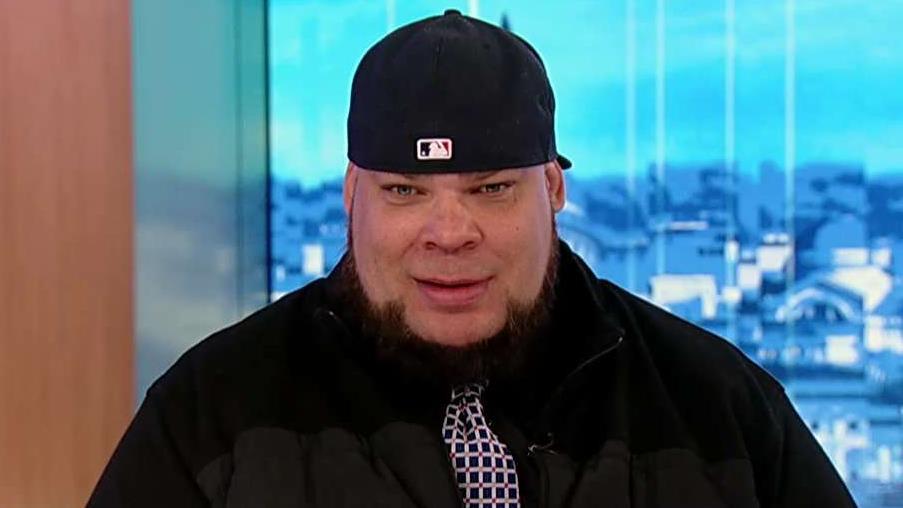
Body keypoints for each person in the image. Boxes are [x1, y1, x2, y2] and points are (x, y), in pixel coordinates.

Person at [88, 9, 855, 508]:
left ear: (552, 190)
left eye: (490, 189)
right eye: (404, 191)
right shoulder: (213, 414)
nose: (448, 232)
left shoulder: (717, 410)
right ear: (351, 194)